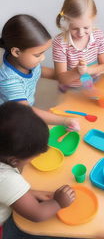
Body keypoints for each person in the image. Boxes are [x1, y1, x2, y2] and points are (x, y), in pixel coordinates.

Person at [0, 101, 76, 239]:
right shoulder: (6, 178)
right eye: (33, 157)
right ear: (14, 161)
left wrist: (28, 193)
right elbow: (37, 214)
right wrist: (58, 202)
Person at [0, 14, 80, 131]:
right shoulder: (9, 80)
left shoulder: (24, 62)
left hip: (25, 109)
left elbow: (42, 71)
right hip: (11, 121)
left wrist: (70, 75)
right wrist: (63, 120)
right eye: (38, 54)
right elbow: (27, 111)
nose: (42, 58)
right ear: (16, 52)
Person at [53, 0, 104, 90]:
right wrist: (77, 72)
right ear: (66, 21)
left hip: (96, 83)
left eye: (86, 28)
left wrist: (87, 70)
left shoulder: (97, 35)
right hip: (72, 89)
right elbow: (61, 78)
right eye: (75, 28)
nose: (81, 33)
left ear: (93, 19)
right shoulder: (60, 43)